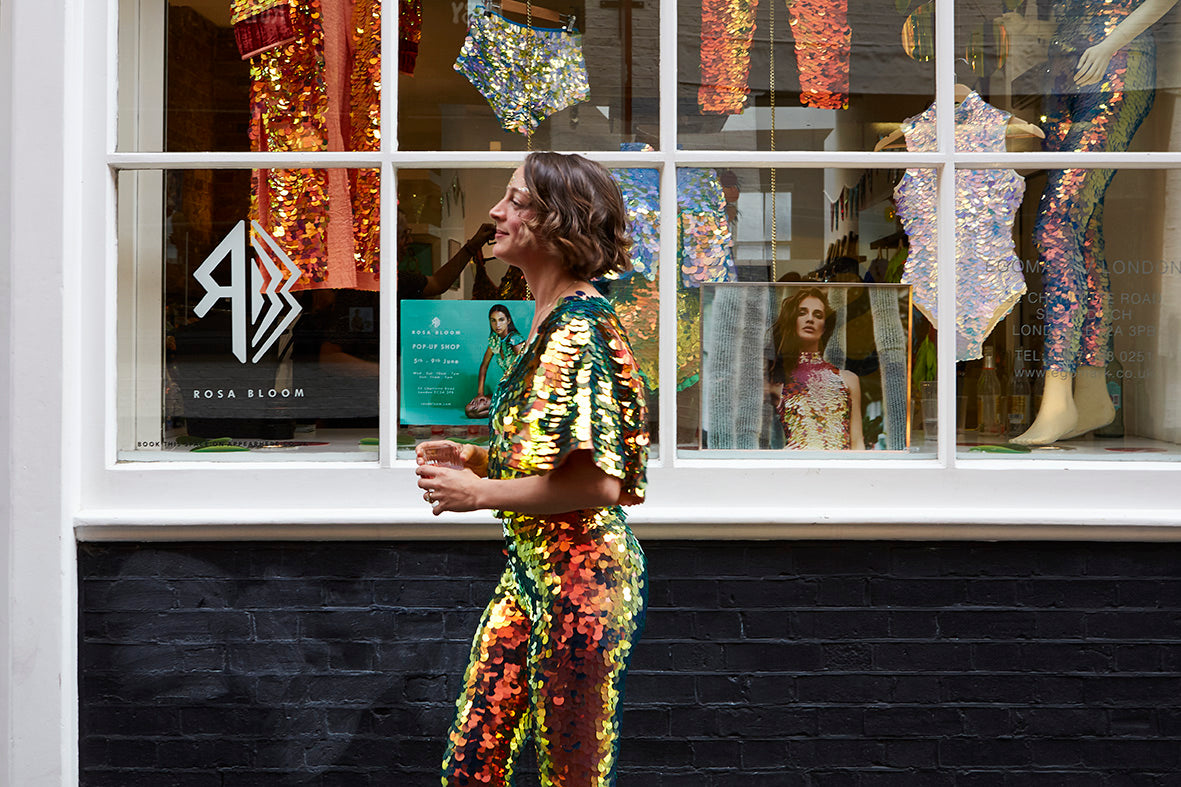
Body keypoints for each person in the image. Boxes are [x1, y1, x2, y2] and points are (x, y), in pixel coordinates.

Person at [415, 152, 649, 786]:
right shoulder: (541, 323)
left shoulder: (581, 328)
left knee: (569, 774)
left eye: (515, 200)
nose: (496, 212)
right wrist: (478, 459)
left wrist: (479, 492)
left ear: (559, 223)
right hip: (531, 575)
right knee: (473, 758)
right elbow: (553, 459)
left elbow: (601, 483)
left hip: (583, 582)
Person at [769, 287, 864, 450]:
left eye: (818, 315)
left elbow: (857, 442)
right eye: (802, 313)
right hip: (797, 471)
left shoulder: (849, 380)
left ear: (824, 327)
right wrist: (780, 457)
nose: (810, 319)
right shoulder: (777, 381)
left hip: (840, 472)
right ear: (793, 320)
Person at [467, 304, 525, 419]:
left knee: (475, 411)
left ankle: (508, 409)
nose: (497, 325)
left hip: (519, 391)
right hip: (504, 389)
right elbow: (484, 366)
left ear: (508, 321)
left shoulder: (515, 340)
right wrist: (480, 394)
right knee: (470, 410)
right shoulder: (495, 341)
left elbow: (525, 368)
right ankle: (504, 411)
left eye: (501, 320)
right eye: (493, 321)